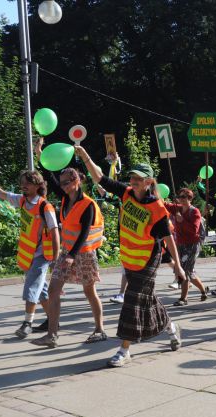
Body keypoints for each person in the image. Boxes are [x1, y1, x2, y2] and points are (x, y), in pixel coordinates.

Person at [75, 145, 185, 366]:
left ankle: (124, 350)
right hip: (130, 258)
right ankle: (172, 328)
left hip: (148, 260)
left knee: (132, 301)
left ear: (148, 182)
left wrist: (178, 266)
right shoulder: (125, 193)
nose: (133, 181)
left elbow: (168, 238)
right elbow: (100, 178)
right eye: (132, 177)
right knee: (146, 300)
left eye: (138, 178)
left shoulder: (156, 207)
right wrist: (86, 156)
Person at [0, 165, 59, 338]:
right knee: (42, 291)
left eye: (27, 183)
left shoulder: (45, 207)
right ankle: (53, 320)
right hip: (29, 255)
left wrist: (56, 259)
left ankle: (27, 323)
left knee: (31, 287)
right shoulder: (22, 201)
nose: (23, 186)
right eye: (22, 183)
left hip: (42, 256)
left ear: (38, 185)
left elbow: (55, 233)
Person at [31, 142, 106, 348]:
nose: (63, 186)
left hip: (83, 254)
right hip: (67, 252)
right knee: (53, 290)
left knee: (89, 292)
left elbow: (83, 233)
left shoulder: (88, 204)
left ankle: (99, 330)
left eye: (66, 182)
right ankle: (52, 335)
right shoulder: (65, 198)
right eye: (62, 183)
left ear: (76, 181)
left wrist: (72, 253)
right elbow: (50, 178)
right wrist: (40, 155)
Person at [164, 188, 209, 305]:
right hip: (181, 244)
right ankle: (204, 291)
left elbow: (194, 230)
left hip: (193, 245)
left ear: (189, 198)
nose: (180, 199)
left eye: (183, 197)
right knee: (190, 271)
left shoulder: (195, 212)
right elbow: (165, 205)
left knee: (185, 270)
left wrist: (182, 220)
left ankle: (183, 298)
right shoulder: (177, 208)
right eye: (179, 196)